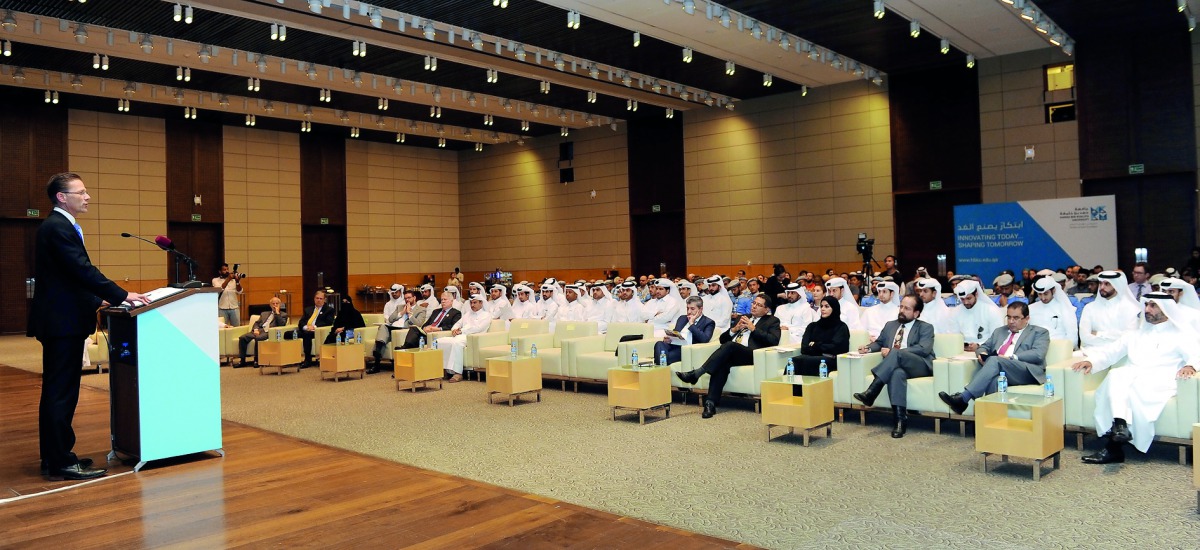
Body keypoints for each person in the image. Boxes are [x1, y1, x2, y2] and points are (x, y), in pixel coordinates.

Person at [29, 172, 151, 480]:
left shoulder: (59, 226)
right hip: (62, 323)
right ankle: (59, 463)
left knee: (61, 391)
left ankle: (57, 456)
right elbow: (81, 270)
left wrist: (99, 299)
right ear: (62, 197)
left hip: (63, 319)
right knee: (61, 392)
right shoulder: (57, 227)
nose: (88, 197)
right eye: (81, 192)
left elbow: (70, 277)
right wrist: (122, 294)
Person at [1072, 293, 1200, 464]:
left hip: (1162, 380)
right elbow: (1111, 351)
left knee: (1123, 386)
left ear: (1166, 309)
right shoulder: (1136, 334)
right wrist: (1091, 361)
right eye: (1146, 305)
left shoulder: (1181, 334)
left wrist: (1190, 365)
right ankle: (1120, 428)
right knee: (1116, 374)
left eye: (1153, 306)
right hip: (1132, 376)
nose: (1147, 309)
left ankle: (1115, 444)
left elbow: (1196, 354)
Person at [674, 293, 780, 418]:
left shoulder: (772, 321)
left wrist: (753, 329)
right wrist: (734, 330)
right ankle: (710, 403)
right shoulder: (744, 317)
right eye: (754, 303)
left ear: (766, 309)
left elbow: (773, 340)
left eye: (759, 305)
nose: (754, 306)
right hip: (733, 353)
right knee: (722, 363)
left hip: (752, 354)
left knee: (730, 346)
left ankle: (698, 373)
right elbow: (722, 340)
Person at [939, 302, 1051, 414]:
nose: (1011, 321)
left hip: (1025, 371)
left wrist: (1011, 357)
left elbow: (1038, 354)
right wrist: (981, 353)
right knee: (995, 380)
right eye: (1009, 317)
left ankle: (964, 397)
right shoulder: (1000, 331)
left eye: (1016, 318)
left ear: (1027, 318)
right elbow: (984, 347)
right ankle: (989, 421)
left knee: (994, 360)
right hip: (1001, 370)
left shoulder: (1039, 332)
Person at [852, 295, 935, 438]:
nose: (902, 310)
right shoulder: (890, 325)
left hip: (919, 365)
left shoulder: (925, 327)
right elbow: (879, 343)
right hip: (897, 365)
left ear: (916, 313)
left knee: (896, 354)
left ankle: (873, 389)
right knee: (897, 374)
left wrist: (895, 352)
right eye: (901, 306)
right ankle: (899, 421)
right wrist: (868, 348)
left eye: (907, 308)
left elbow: (924, 349)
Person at [1078, 271, 1140, 349]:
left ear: (1116, 285)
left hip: (1120, 353)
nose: (1102, 287)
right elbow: (1084, 336)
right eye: (1100, 283)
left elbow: (1130, 336)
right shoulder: (1089, 308)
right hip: (1091, 351)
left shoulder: (1130, 308)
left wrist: (1098, 334)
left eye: (1107, 284)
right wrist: (1115, 336)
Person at [793, 296, 851, 376]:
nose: (823, 309)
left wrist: (816, 345)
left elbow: (837, 348)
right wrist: (822, 346)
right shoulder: (812, 326)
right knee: (794, 361)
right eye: (821, 306)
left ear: (834, 308)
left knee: (810, 361)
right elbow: (804, 347)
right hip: (812, 357)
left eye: (827, 306)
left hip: (830, 360)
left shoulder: (841, 327)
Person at [440, 294, 493, 382]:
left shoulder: (486, 315)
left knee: (456, 343)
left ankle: (457, 373)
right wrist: (454, 330)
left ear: (481, 303)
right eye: (471, 303)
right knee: (439, 341)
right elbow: (457, 324)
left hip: (473, 338)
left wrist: (461, 331)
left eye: (475, 303)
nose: (472, 305)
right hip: (461, 336)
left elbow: (478, 328)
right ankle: (443, 370)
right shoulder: (468, 314)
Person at [372, 288, 425, 373]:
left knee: (383, 335)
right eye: (405, 298)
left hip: (404, 330)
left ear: (414, 298)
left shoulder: (421, 309)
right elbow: (390, 319)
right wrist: (402, 313)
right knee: (383, 327)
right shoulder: (400, 307)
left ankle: (377, 362)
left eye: (409, 298)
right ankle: (377, 356)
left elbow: (418, 324)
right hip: (393, 328)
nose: (407, 300)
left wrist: (410, 314)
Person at [653, 296, 715, 365]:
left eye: (692, 309)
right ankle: (661, 369)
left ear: (700, 310)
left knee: (664, 357)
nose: (689, 312)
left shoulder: (708, 322)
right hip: (675, 345)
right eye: (687, 308)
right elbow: (676, 332)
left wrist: (691, 324)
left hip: (687, 350)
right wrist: (669, 339)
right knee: (659, 344)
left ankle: (659, 370)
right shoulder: (682, 318)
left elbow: (705, 339)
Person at [951, 279, 1004, 350]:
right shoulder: (956, 311)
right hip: (960, 350)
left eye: (968, 298)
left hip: (985, 350)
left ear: (976, 294)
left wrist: (980, 345)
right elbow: (953, 334)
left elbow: (997, 337)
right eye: (962, 299)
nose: (966, 302)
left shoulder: (991, 310)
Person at [236, 297, 288, 368]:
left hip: (269, 332)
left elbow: (282, 324)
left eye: (277, 303)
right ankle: (242, 360)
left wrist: (277, 313)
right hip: (259, 330)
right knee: (242, 338)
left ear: (280, 305)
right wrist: (255, 329)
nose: (275, 305)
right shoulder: (264, 314)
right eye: (273, 304)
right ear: (270, 305)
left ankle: (257, 360)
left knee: (258, 338)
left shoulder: (283, 315)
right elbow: (257, 323)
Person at [1028, 277, 1079, 348]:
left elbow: (1072, 335)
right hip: (1036, 348)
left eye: (1046, 294)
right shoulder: (1031, 308)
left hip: (1060, 348)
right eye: (1039, 294)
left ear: (1053, 291)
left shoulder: (1064, 308)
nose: (1043, 298)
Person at [298, 290, 336, 367]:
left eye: (320, 298)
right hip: (306, 330)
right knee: (287, 334)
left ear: (324, 300)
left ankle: (307, 360)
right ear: (314, 299)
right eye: (317, 298)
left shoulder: (329, 310)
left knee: (306, 335)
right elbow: (301, 321)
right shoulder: (308, 309)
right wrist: (306, 327)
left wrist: (314, 327)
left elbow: (328, 322)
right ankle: (290, 358)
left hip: (317, 331)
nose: (318, 300)